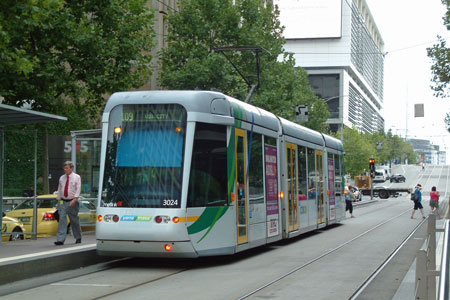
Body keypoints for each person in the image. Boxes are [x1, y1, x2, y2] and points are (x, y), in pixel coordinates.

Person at [54, 161, 82, 245]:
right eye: (64, 168)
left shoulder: (77, 177)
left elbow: (78, 188)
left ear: (71, 168)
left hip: (72, 200)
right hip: (63, 200)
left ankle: (78, 236)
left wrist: (75, 199)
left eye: (67, 168)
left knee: (74, 219)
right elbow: (60, 189)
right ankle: (60, 239)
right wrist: (58, 200)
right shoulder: (62, 178)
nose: (65, 170)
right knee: (62, 218)